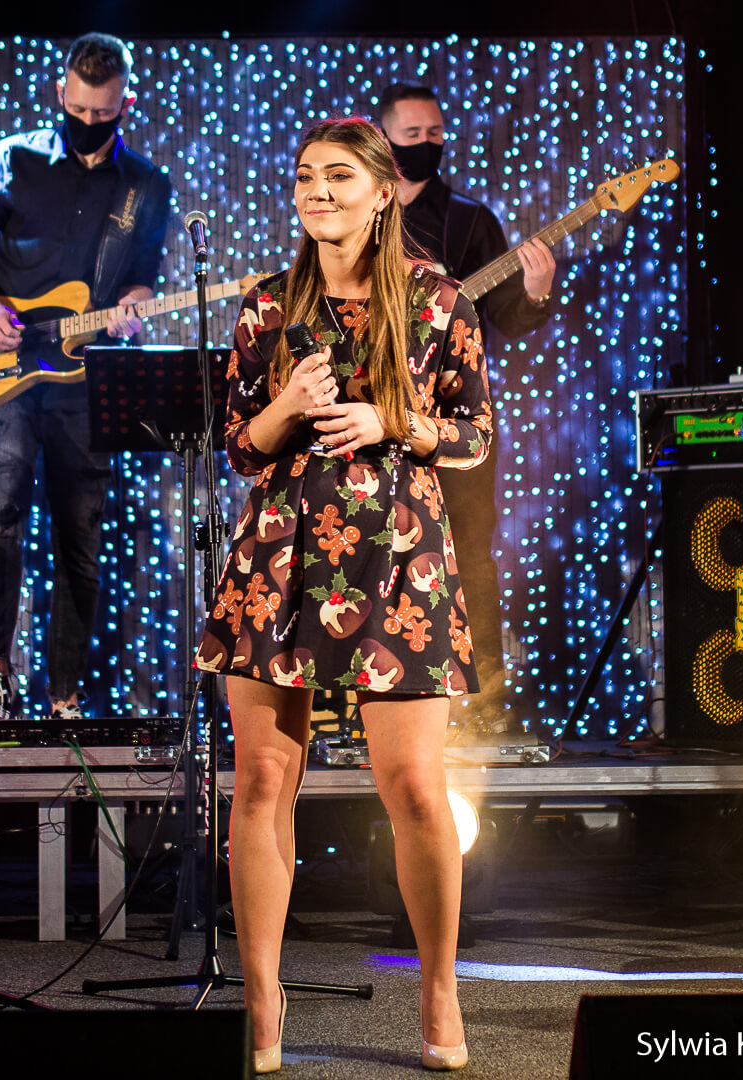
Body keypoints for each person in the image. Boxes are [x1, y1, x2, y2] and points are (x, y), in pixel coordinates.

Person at [197, 116, 491, 1073]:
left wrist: (391, 420)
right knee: (260, 781)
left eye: (335, 176)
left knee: (415, 789)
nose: (315, 192)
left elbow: (475, 434)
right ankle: (263, 999)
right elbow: (240, 447)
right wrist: (286, 407)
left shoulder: (438, 299)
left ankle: (439, 988)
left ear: (381, 192)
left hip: (398, 559)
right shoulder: (267, 305)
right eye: (303, 178)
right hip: (279, 560)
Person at [0, 33, 171, 720]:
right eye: (79, 109)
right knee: (3, 499)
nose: (89, 122)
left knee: (81, 527)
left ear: (125, 104)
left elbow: (141, 280)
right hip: (4, 365)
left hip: (85, 376)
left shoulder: (146, 185)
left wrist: (132, 310)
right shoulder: (11, 159)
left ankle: (65, 692)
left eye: (103, 113)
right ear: (60, 93)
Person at [378, 83, 559, 730]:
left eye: (435, 133)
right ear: (384, 140)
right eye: (413, 135)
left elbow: (505, 315)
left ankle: (482, 705)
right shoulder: (356, 214)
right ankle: (370, 702)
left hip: (455, 415)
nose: (427, 144)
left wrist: (535, 291)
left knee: (470, 556)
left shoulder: (469, 220)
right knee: (369, 552)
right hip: (371, 414)